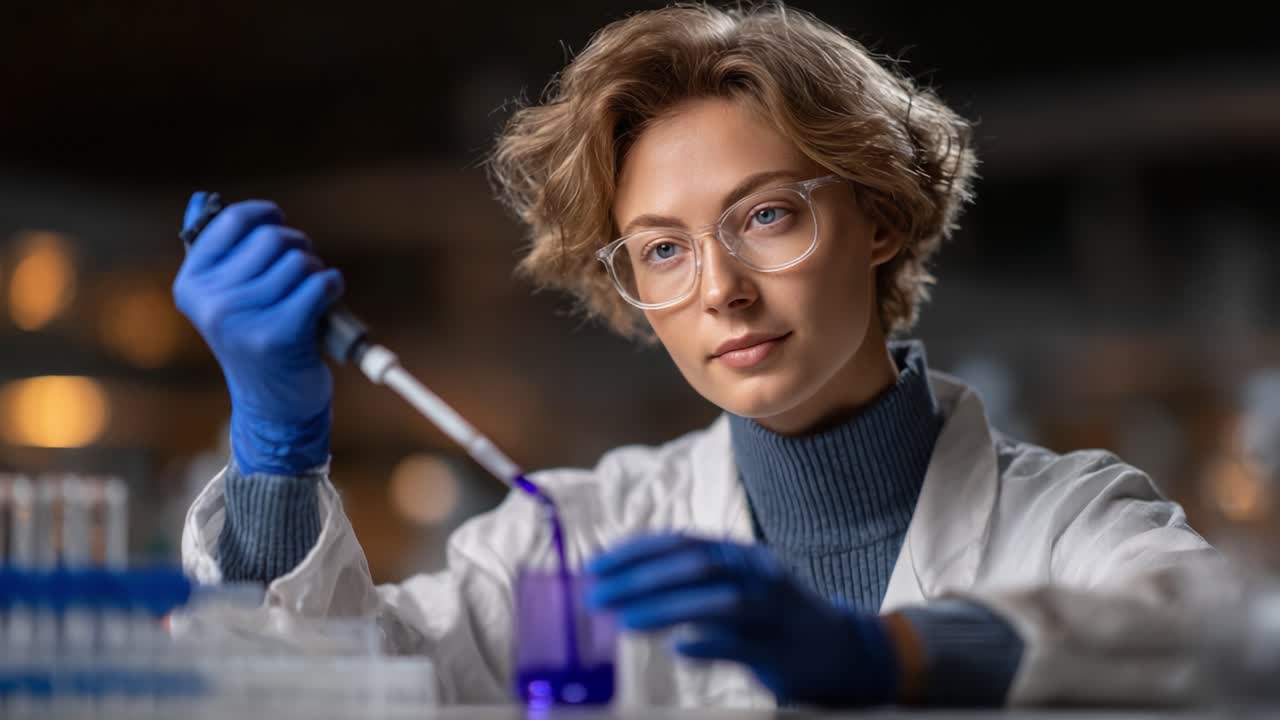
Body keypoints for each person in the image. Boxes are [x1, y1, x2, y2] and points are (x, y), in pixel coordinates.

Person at [174, 3, 1216, 708]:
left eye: (763, 216)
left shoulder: (1063, 522)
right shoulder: (571, 547)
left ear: (882, 218)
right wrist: (276, 462)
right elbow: (316, 696)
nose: (717, 288)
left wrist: (888, 656)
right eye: (662, 249)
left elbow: (1217, 654)